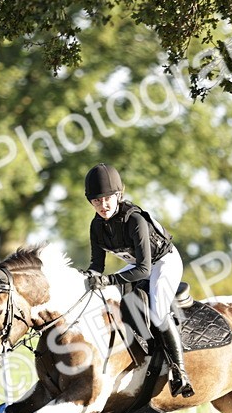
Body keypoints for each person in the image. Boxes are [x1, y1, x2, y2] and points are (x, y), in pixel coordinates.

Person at [83, 163, 194, 398]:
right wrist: (88, 278)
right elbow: (97, 265)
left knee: (158, 311)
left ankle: (179, 372)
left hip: (163, 262)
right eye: (96, 201)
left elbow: (144, 269)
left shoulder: (134, 220)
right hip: (139, 264)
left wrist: (110, 279)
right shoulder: (96, 226)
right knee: (110, 297)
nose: (103, 205)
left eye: (107, 199)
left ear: (117, 196)